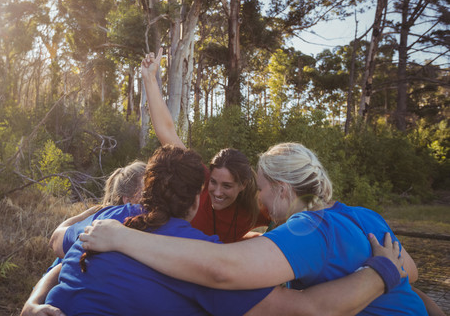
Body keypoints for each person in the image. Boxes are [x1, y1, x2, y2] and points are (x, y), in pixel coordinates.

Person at [22, 145, 406, 316]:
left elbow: (59, 238)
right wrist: (384, 272)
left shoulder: (107, 222)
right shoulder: (196, 261)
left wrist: (30, 304)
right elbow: (306, 310)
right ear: (196, 201)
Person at [141, 49, 268, 242]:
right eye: (214, 182)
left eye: (227, 186)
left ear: (242, 185)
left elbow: (295, 214)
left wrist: (252, 239)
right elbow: (167, 132)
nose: (217, 192)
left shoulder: (255, 205)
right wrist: (150, 79)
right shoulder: (199, 179)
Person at [48, 160, 146, 258]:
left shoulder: (104, 220)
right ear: (127, 201)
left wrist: (86, 214)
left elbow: (55, 240)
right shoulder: (116, 219)